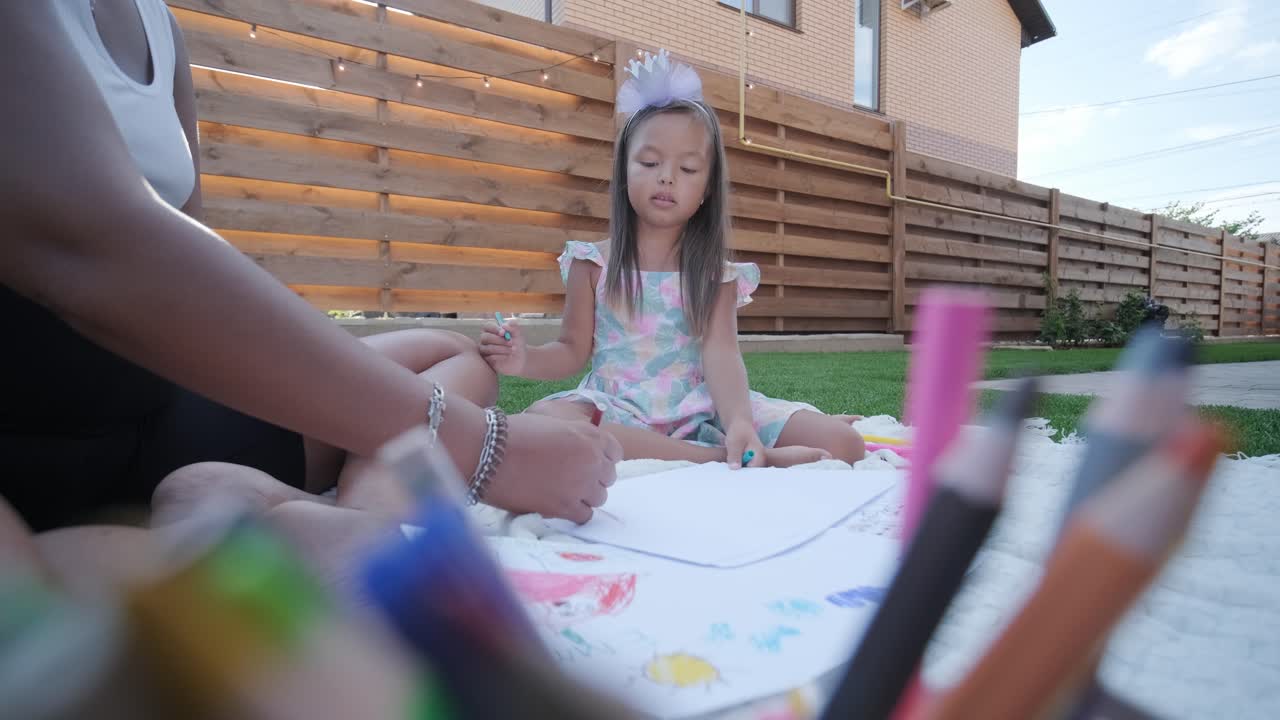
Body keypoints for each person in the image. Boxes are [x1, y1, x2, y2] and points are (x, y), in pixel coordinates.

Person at [0, 0, 619, 554]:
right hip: (43, 439)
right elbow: (91, 244)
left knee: (456, 356)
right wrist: (487, 448)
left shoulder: (158, 26)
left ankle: (351, 518)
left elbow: (192, 261)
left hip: (170, 416)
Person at [479, 51, 864, 469]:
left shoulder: (716, 274)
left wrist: (738, 421)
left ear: (707, 189)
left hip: (704, 406)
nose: (666, 177)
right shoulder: (591, 263)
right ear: (625, 170)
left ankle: (735, 445)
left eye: (687, 168)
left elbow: (722, 353)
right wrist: (524, 359)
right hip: (618, 410)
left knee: (844, 443)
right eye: (650, 162)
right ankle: (720, 458)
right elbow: (571, 350)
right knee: (545, 422)